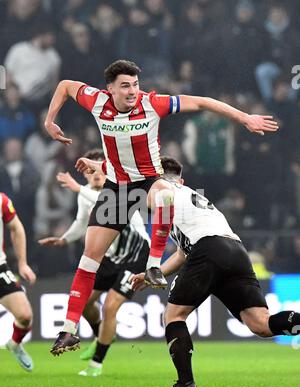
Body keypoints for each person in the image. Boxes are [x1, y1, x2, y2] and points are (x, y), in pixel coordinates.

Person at [44, 59, 279, 355]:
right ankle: (68, 329)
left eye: (135, 85)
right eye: (125, 86)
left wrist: (244, 117)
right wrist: (49, 121)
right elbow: (65, 85)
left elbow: (203, 102)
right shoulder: (96, 101)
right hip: (117, 188)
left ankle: (154, 265)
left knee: (166, 196)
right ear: (110, 89)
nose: (132, 91)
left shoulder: (154, 104)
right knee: (90, 257)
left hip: (148, 181)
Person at [131, 157, 300, 387]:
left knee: (174, 315)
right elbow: (181, 254)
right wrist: (150, 275)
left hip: (208, 249)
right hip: (235, 250)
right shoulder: (191, 196)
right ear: (180, 179)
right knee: (260, 324)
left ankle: (185, 383)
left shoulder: (160, 192)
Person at [39, 150, 150, 375]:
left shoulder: (121, 189)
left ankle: (96, 363)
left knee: (110, 306)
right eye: (90, 172)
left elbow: (108, 204)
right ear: (86, 175)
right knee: (86, 303)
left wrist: (78, 188)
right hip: (108, 256)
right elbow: (81, 223)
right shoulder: (85, 194)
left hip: (135, 255)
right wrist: (64, 239)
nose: (96, 176)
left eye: (99, 170)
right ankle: (102, 334)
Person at [0, 192, 36, 372]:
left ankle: (14, 344)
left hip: (0, 268)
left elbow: (16, 228)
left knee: (25, 316)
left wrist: (22, 263)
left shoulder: (2, 200)